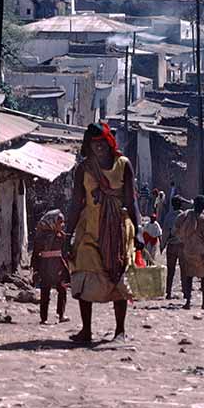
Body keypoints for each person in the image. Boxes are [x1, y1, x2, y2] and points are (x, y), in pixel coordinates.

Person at [67, 123, 139, 344]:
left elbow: (131, 200)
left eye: (102, 144)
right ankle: (86, 330)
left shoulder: (123, 165)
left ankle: (120, 331)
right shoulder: (84, 169)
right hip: (89, 229)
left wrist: (139, 230)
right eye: (93, 144)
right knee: (83, 273)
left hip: (118, 229)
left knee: (119, 277)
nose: (98, 148)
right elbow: (76, 204)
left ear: (109, 143)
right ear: (88, 146)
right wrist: (68, 234)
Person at [30, 209, 71, 325]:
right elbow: (35, 254)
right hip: (45, 267)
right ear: (52, 222)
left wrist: (66, 267)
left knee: (62, 290)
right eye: (60, 222)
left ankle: (61, 315)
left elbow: (65, 253)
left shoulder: (61, 236)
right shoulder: (41, 237)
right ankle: (44, 318)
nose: (62, 225)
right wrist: (35, 269)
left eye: (63, 222)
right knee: (45, 292)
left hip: (58, 266)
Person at [176, 195, 204, 310]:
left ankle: (188, 302)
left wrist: (182, 239)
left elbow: (176, 226)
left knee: (189, 276)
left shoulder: (186, 215)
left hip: (188, 249)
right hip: (200, 251)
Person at [161, 195, 187, 299]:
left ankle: (168, 292)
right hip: (182, 246)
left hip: (171, 245)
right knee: (184, 270)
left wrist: (162, 246)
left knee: (170, 270)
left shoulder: (169, 216)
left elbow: (165, 233)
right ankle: (185, 291)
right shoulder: (185, 216)